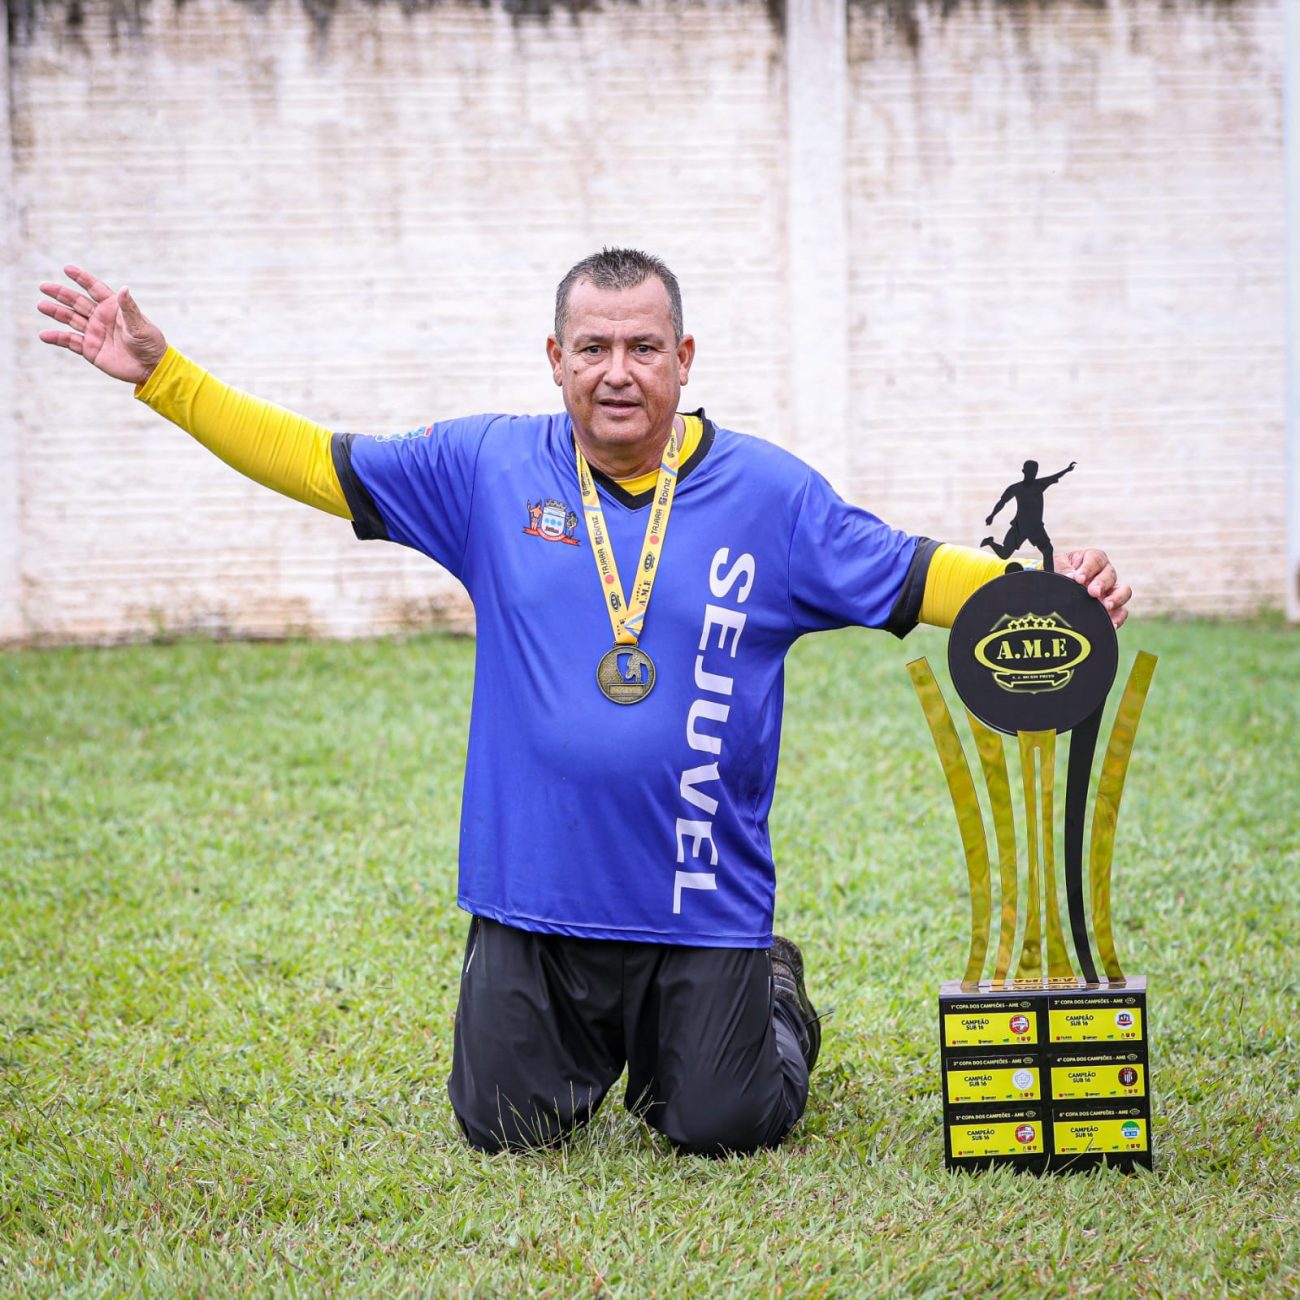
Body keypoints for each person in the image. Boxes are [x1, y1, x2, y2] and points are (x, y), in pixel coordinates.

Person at [38, 251, 1132, 1157]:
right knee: (502, 1129)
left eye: (643, 347)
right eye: (594, 348)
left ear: (683, 359)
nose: (619, 371)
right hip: (535, 901)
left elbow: (911, 572)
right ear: (555, 360)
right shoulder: (485, 468)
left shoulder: (769, 496)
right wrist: (162, 373)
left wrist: (1039, 596)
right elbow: (319, 462)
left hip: (698, 901)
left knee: (722, 1125)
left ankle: (775, 991)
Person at [981, 458, 1077, 575]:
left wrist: (1067, 469)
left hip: (1035, 527)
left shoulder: (1040, 484)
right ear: (1024, 471)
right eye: (1030, 470)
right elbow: (1002, 501)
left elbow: (1054, 476)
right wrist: (992, 515)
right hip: (1019, 526)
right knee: (1004, 554)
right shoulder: (1016, 488)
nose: (1033, 473)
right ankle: (990, 542)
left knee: (1047, 550)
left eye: (1034, 471)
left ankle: (1049, 576)